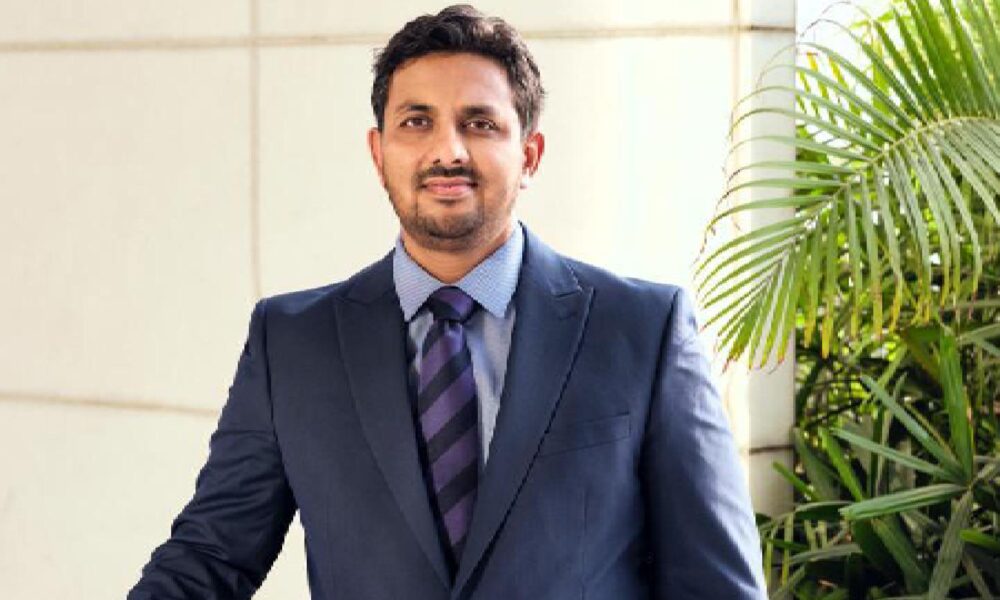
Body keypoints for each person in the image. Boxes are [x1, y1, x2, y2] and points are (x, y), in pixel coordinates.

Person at [129, 5, 766, 599]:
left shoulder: (643, 332)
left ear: (529, 155)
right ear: (379, 154)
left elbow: (716, 586)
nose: (448, 151)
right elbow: (210, 558)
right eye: (417, 121)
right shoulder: (291, 342)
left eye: (479, 123)